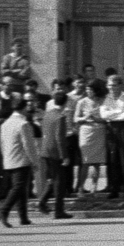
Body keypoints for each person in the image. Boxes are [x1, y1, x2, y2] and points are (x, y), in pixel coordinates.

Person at [0, 99, 38, 226]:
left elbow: (2, 143)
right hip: (21, 160)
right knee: (19, 187)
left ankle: (23, 217)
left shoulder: (5, 124)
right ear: (23, 108)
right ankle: (4, 210)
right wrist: (34, 161)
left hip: (9, 160)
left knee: (21, 189)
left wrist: (6, 157)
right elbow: (28, 145)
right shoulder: (23, 124)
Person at [36, 91, 73, 219]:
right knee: (59, 182)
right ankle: (58, 210)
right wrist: (64, 156)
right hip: (55, 152)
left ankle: (42, 202)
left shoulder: (48, 114)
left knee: (52, 180)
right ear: (65, 102)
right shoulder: (60, 117)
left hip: (45, 150)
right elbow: (59, 138)